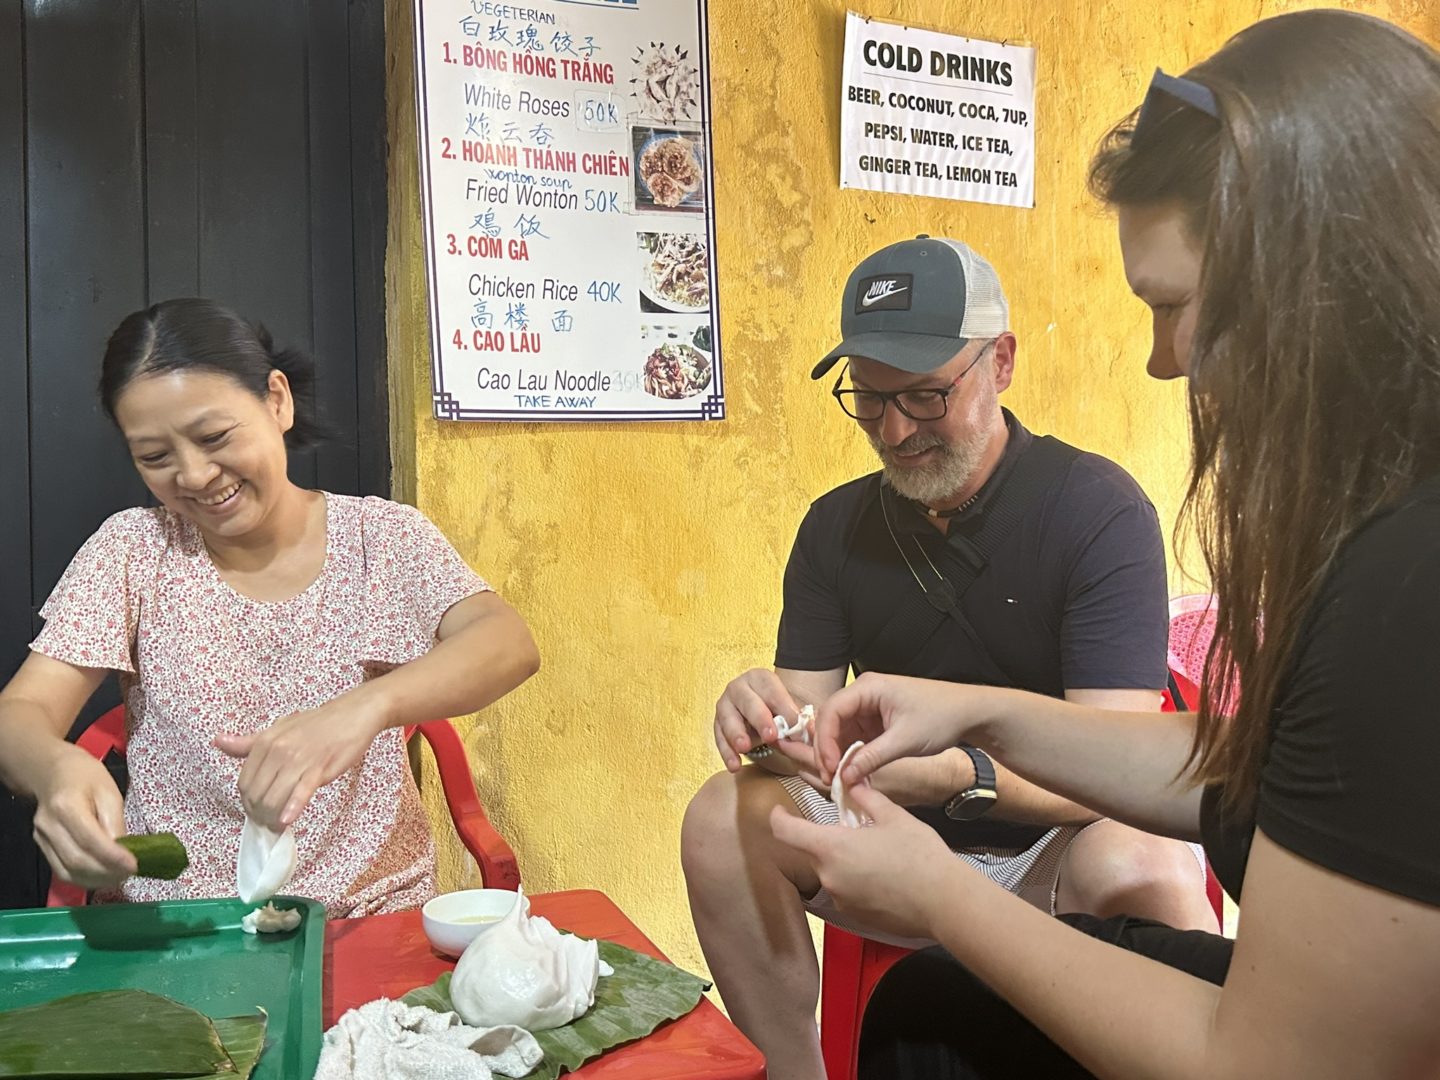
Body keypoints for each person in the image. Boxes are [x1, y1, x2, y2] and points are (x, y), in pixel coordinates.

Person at [771, 11, 1440, 1078]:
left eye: (1175, 307)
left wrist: (940, 888)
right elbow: (1254, 774)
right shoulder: (1385, 527)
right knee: (932, 999)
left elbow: (1266, 1064)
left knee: (938, 1007)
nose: (1163, 363)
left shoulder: (1403, 586)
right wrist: (987, 715)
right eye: (874, 398)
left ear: (1331, 284)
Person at [682, 237, 1214, 1077]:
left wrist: (951, 776)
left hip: (1051, 844)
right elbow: (806, 723)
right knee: (722, 816)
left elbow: (1117, 768)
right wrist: (766, 712)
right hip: (884, 833)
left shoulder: (1096, 511)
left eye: (927, 395)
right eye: (869, 398)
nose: (895, 431)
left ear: (999, 362)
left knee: (1141, 862)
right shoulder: (834, 527)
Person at [0, 298, 540, 916]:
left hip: (366, 916)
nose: (196, 475)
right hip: (183, 921)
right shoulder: (134, 549)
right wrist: (53, 769)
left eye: (214, 437)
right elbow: (21, 712)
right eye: (155, 457)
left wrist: (366, 707)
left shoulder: (381, 538)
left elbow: (506, 643)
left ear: (276, 400)